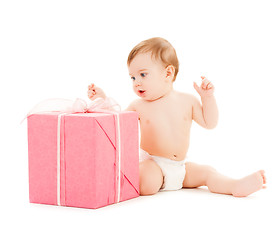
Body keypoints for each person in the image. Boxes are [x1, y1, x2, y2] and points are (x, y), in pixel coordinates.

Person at [87, 37, 266, 197]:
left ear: (168, 73)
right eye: (132, 77)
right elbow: (117, 124)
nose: (137, 82)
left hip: (180, 167)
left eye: (143, 74)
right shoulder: (138, 106)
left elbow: (210, 123)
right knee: (147, 180)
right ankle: (123, 181)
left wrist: (208, 98)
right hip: (153, 163)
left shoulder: (188, 101)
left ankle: (234, 185)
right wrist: (102, 100)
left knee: (208, 172)